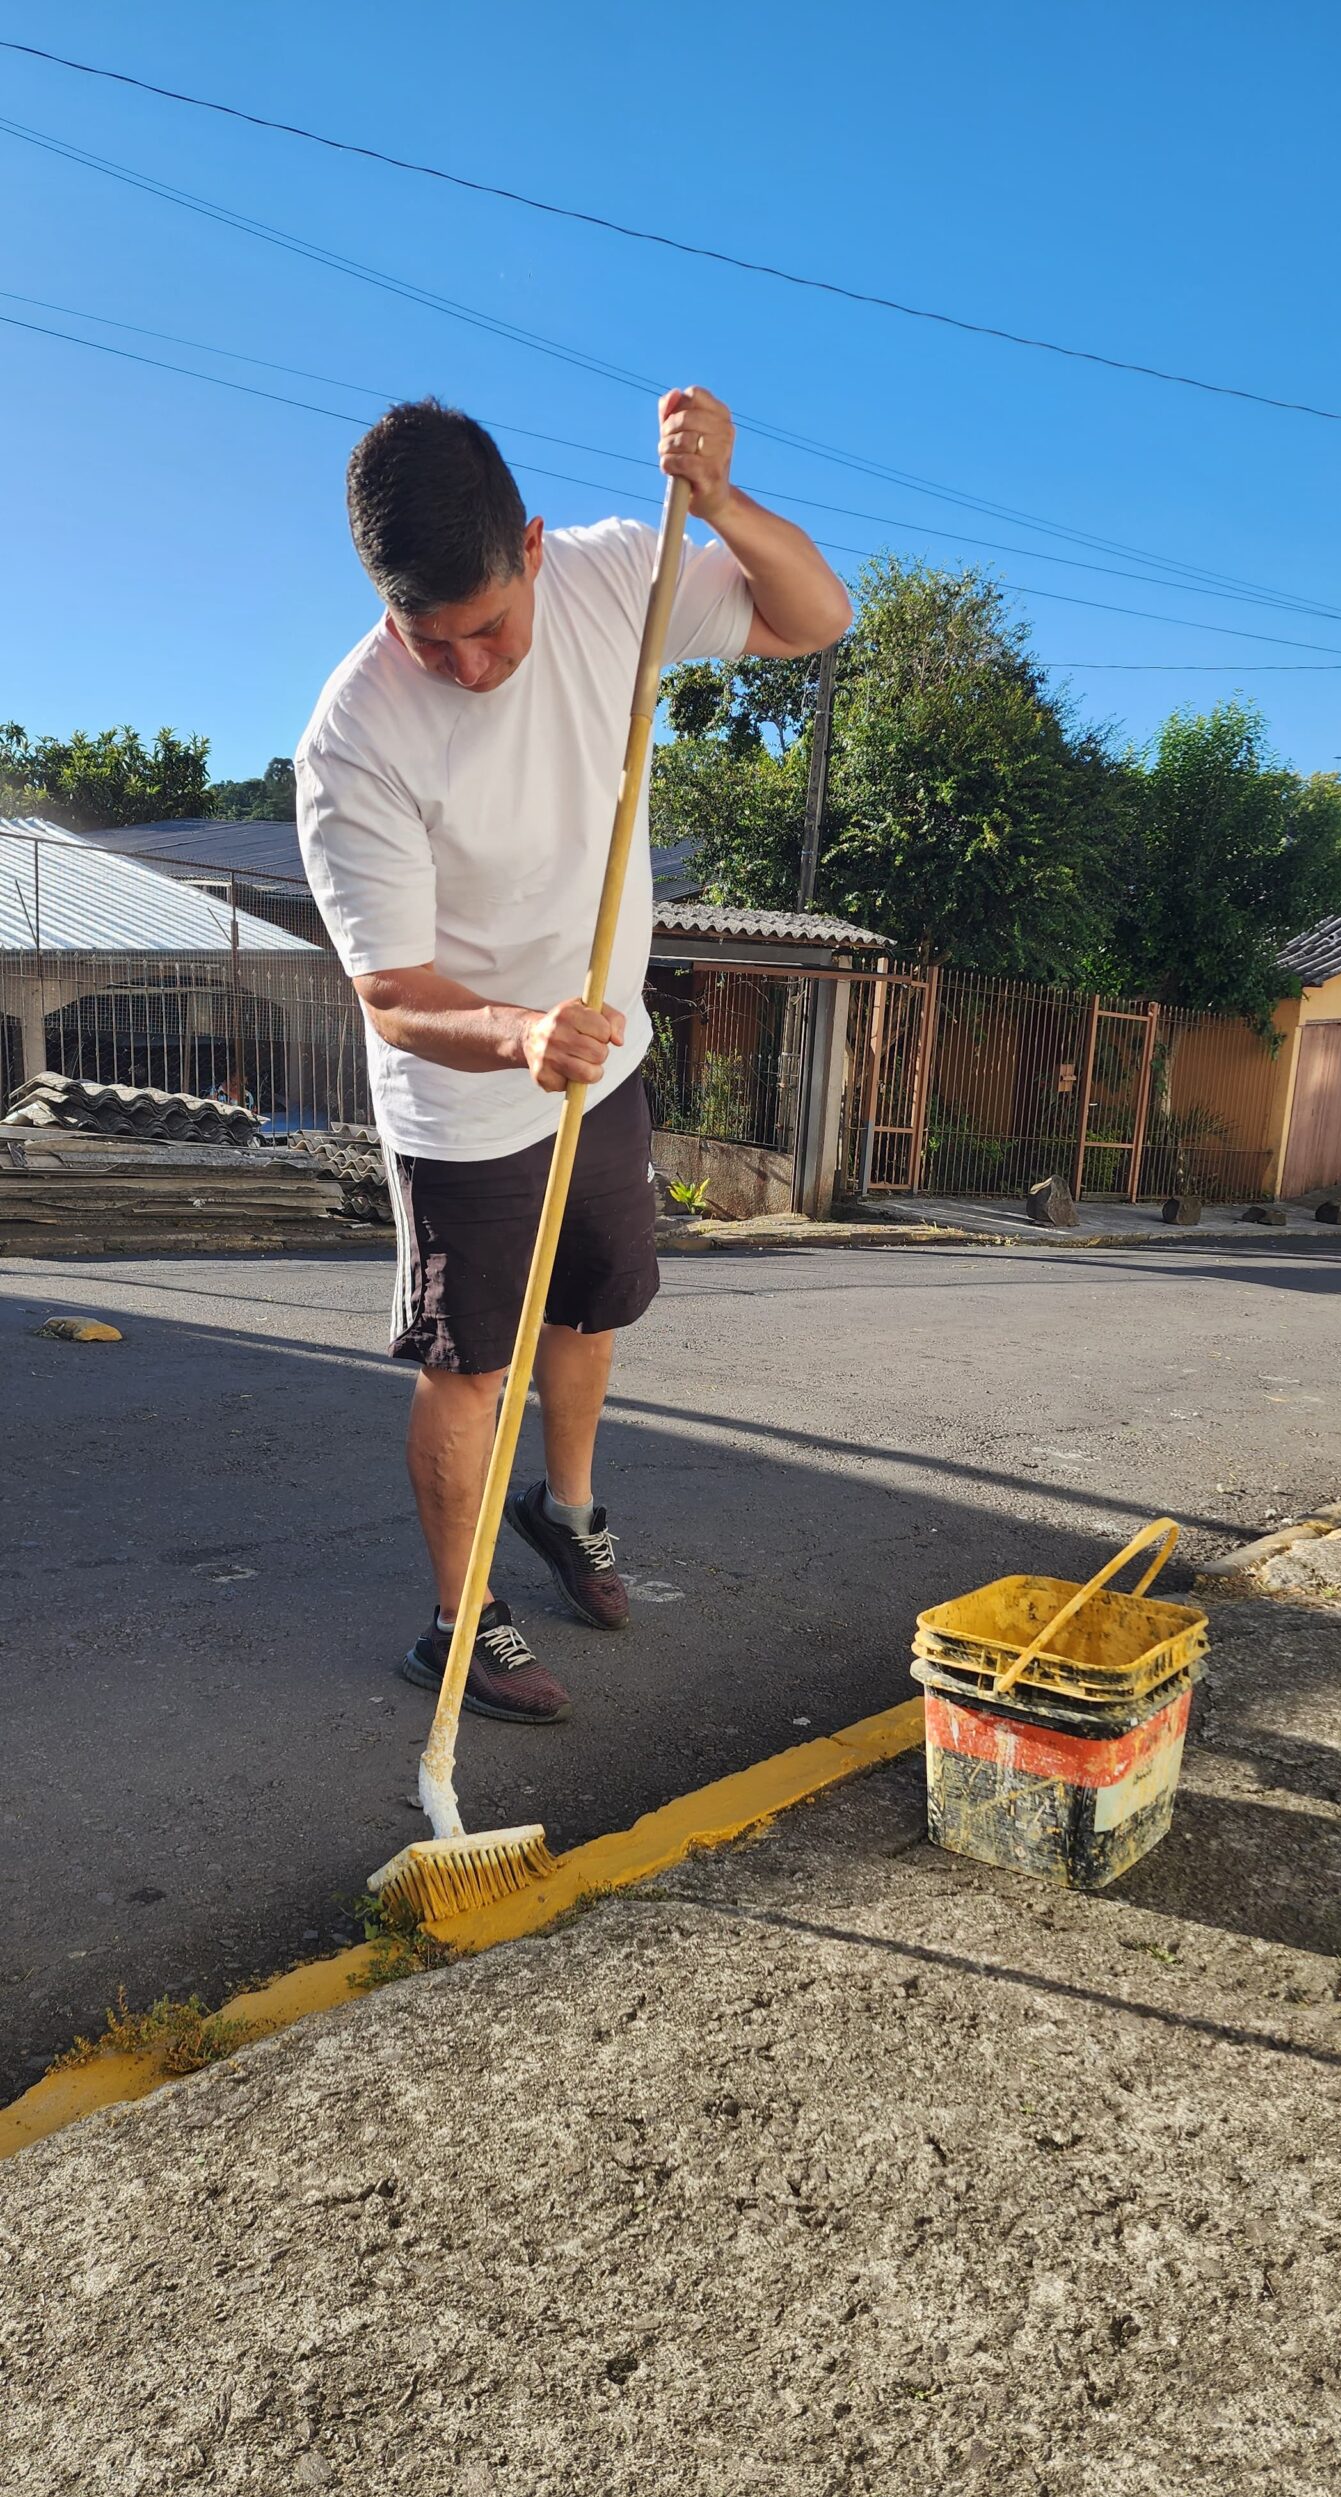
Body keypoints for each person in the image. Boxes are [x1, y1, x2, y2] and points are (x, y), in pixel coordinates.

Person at [296, 387, 850, 1726]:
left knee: (594, 1304)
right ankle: (458, 1618)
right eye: (434, 644)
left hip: (603, 1052)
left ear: (532, 547)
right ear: (387, 610)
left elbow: (812, 617)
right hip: (466, 1099)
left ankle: (569, 1509)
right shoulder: (353, 738)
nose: (471, 668)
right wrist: (516, 1034)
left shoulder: (614, 578)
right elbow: (390, 992)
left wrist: (719, 504)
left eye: (488, 628)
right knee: (472, 1363)